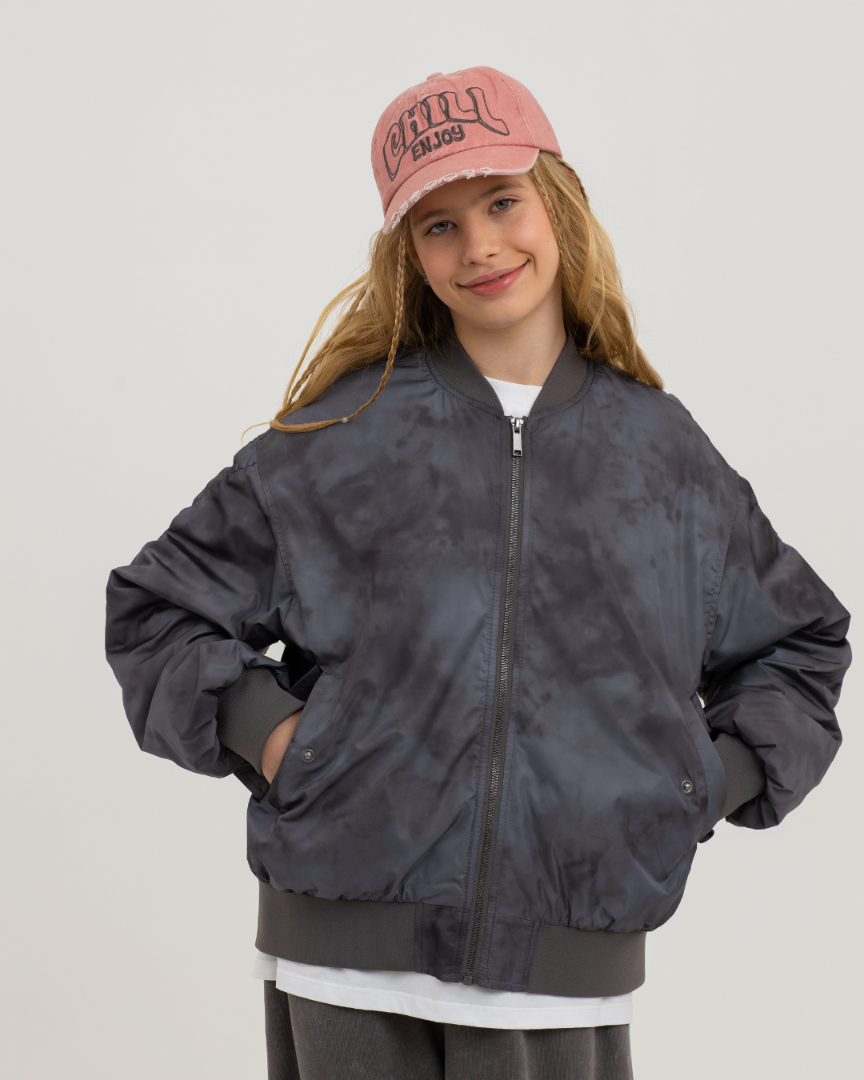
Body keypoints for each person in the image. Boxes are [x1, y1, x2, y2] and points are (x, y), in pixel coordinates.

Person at [105, 67, 851, 1080]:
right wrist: (285, 742)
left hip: (564, 966)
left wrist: (690, 787)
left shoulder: (663, 458)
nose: (481, 247)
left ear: (558, 206)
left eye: (502, 202)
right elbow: (159, 608)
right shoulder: (344, 434)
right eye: (439, 225)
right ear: (410, 254)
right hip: (343, 960)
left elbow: (800, 644)